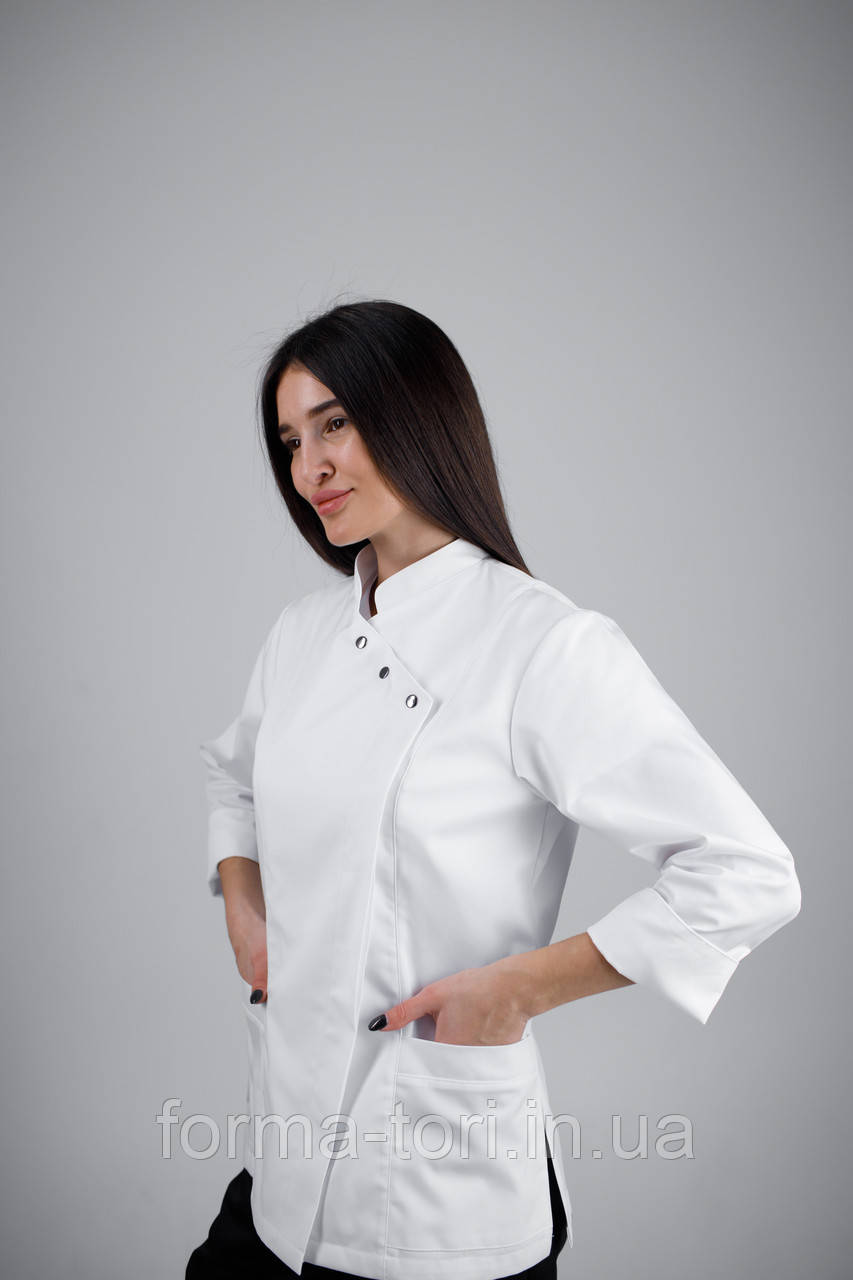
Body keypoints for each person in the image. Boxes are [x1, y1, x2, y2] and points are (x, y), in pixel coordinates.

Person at [186, 299, 802, 1280]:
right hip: (281, 1165)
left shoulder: (541, 643)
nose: (309, 469)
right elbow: (234, 776)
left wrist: (519, 989)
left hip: (434, 1197)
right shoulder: (301, 635)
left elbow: (745, 871)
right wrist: (243, 909)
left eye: (334, 423)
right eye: (291, 440)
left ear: (418, 414)